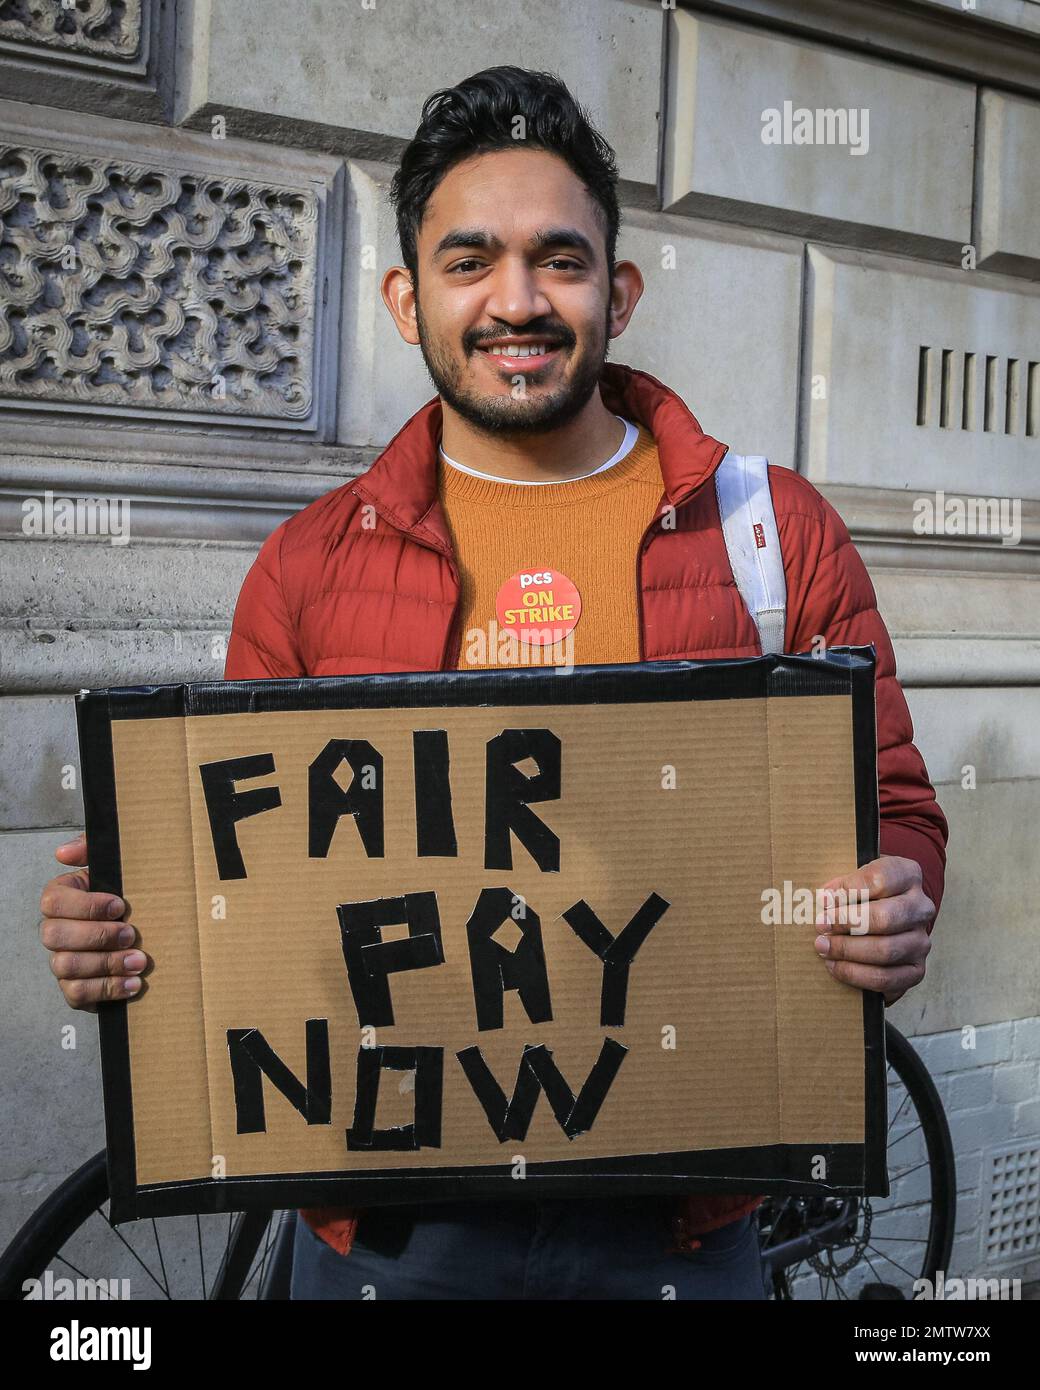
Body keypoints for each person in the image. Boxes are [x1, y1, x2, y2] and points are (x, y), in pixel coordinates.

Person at [38, 66, 948, 1300]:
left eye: (556, 260)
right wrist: (122, 940)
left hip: (680, 1225)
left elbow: (893, 801)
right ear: (406, 299)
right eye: (469, 261)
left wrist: (896, 896)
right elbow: (222, 889)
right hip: (389, 1233)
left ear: (616, 292)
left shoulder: (769, 535)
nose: (514, 301)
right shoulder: (306, 568)